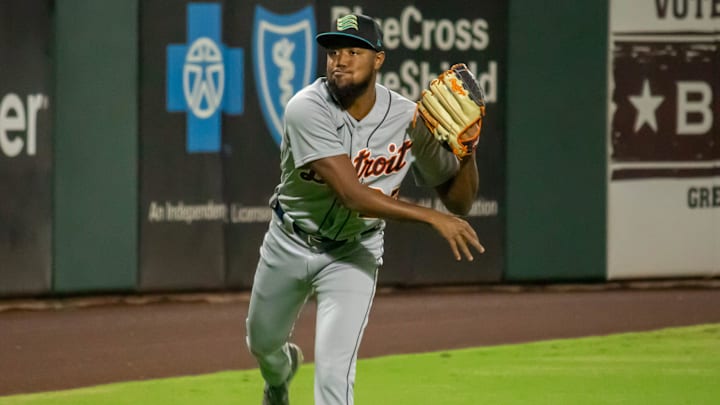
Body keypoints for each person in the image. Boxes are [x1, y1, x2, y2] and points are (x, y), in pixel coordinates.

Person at [245, 13, 485, 405]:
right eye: (334, 52)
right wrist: (432, 218)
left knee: (334, 373)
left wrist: (467, 151)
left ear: (378, 59)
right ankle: (279, 376)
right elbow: (352, 194)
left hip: (353, 253)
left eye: (353, 51)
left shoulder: (409, 118)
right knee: (262, 343)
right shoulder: (305, 108)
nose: (340, 60)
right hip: (290, 242)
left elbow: (459, 202)